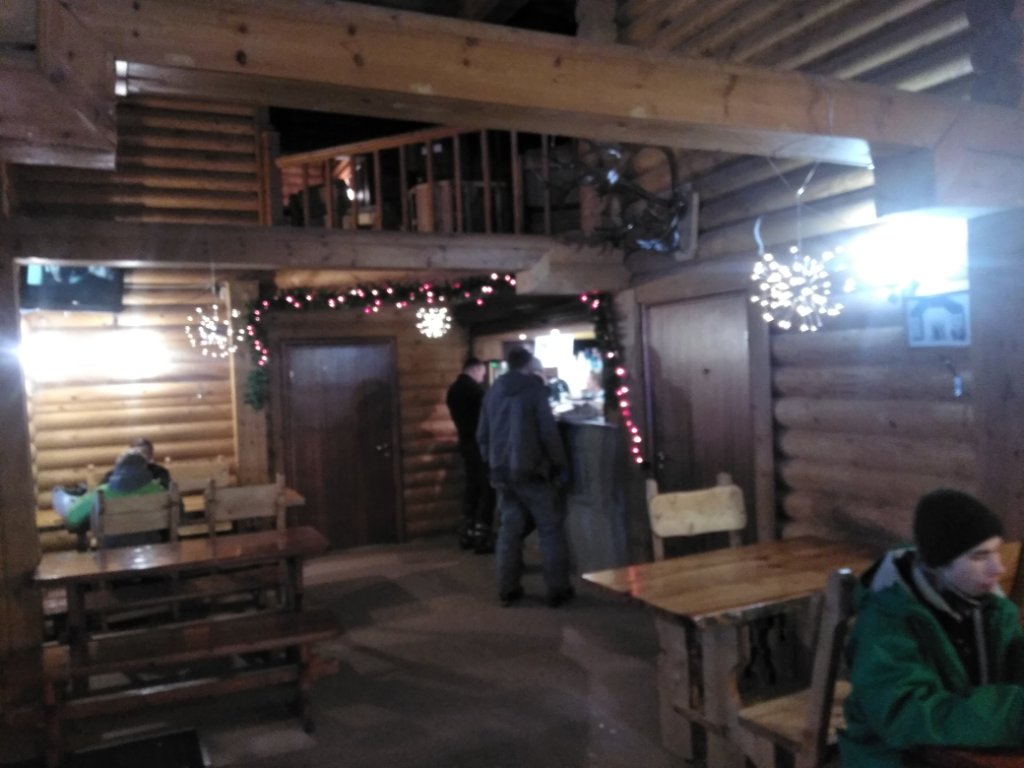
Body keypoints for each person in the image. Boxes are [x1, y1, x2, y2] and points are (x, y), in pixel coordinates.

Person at [840, 489, 1024, 767]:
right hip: (892, 757)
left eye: (997, 551)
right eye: (979, 556)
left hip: (958, 753)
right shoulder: (886, 620)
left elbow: (1014, 660)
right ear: (937, 565)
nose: (998, 568)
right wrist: (1015, 715)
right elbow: (903, 714)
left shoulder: (992, 610)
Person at [477, 347, 572, 608]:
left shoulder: (492, 392)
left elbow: (482, 434)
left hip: (502, 473)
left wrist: (492, 462)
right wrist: (559, 463)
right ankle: (558, 588)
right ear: (529, 365)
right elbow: (548, 433)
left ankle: (507, 588)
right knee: (549, 529)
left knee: (509, 531)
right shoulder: (533, 391)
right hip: (531, 471)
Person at [446, 357, 495, 553]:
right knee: (487, 489)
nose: (483, 377)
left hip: (465, 443)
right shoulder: (475, 391)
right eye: (482, 373)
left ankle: (467, 532)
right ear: (474, 370)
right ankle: (482, 536)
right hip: (480, 445)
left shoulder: (453, 389)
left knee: (472, 487)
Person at [56, 450, 168, 536]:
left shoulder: (101, 493)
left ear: (117, 469)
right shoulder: (158, 490)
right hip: (154, 550)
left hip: (111, 553)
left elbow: (72, 519)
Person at [101, 437, 171, 489]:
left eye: (144, 453)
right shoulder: (112, 475)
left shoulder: (160, 472)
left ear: (151, 455)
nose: (141, 456)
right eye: (137, 453)